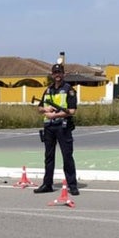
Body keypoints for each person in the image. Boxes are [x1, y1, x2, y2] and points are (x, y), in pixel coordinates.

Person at [33, 63, 79, 195]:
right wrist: (45, 110)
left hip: (63, 127)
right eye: (55, 73)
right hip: (49, 127)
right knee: (48, 157)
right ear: (52, 74)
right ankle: (47, 184)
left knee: (67, 156)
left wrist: (56, 115)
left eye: (59, 73)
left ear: (63, 74)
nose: (57, 75)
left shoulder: (69, 89)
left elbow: (72, 110)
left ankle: (72, 185)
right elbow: (39, 108)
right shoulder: (48, 90)